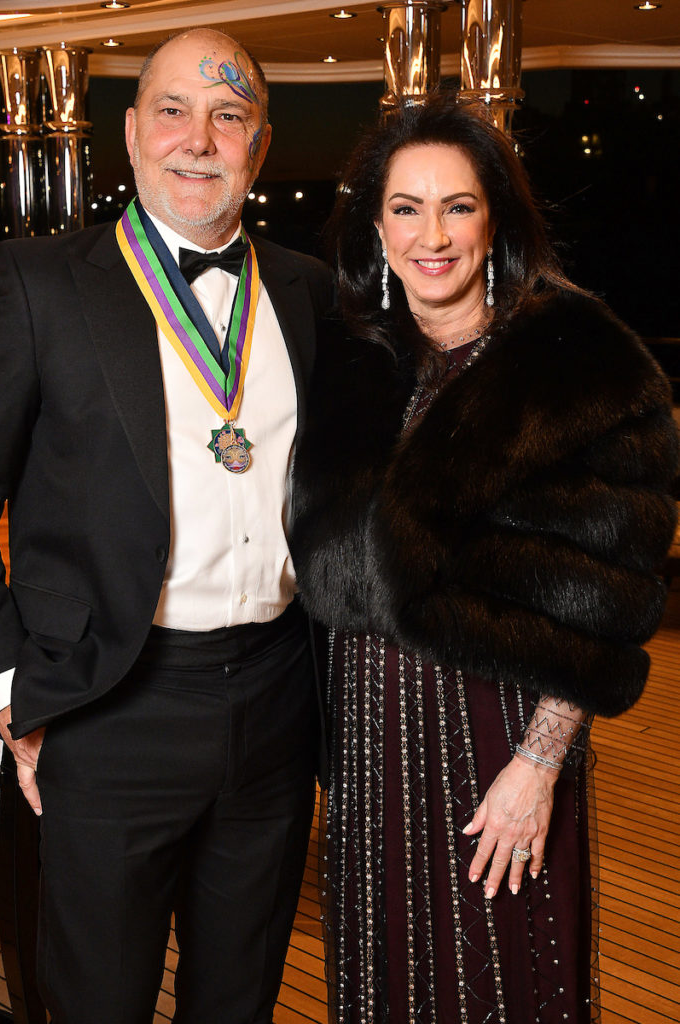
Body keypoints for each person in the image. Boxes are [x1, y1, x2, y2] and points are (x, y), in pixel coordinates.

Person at [0, 28, 332, 1024]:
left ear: (259, 144)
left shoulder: (313, 294)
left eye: (229, 115)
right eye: (174, 111)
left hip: (276, 698)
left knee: (240, 999)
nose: (199, 138)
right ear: (132, 133)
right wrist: (11, 690)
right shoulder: (38, 281)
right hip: (106, 701)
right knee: (97, 1000)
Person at [290, 94, 679, 1024]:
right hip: (370, 738)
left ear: (495, 216)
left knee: (503, 977)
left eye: (457, 206)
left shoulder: (582, 363)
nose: (433, 235)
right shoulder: (351, 362)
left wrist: (539, 764)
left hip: (500, 736)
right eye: (406, 207)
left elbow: (613, 601)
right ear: (375, 224)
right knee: (385, 976)